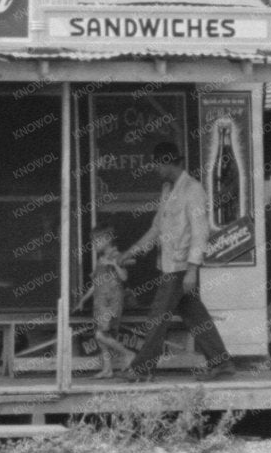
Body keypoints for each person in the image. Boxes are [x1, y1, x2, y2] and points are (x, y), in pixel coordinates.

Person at [119, 142, 233, 381]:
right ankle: (221, 363)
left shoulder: (193, 189)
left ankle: (142, 369)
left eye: (158, 165)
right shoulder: (167, 190)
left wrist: (192, 270)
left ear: (168, 163)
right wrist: (131, 251)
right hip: (170, 265)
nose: (156, 169)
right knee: (195, 316)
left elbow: (200, 232)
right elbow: (156, 228)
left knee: (157, 317)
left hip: (181, 268)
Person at [87, 224, 136, 378]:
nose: (94, 245)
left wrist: (114, 264)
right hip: (100, 302)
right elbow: (96, 284)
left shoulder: (116, 255)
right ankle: (107, 369)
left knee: (100, 335)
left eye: (96, 241)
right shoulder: (100, 259)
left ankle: (128, 353)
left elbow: (124, 277)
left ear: (107, 239)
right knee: (103, 339)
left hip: (111, 302)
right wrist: (83, 299)